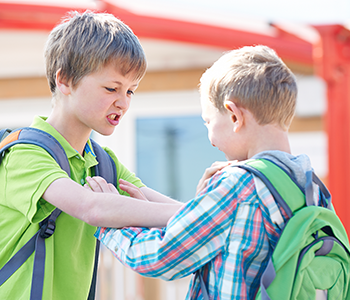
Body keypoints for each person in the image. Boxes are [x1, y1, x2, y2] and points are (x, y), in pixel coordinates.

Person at [92, 45, 322, 299]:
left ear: (234, 116)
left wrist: (108, 223)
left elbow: (161, 257)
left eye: (209, 122)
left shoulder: (239, 185)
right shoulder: (311, 185)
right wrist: (197, 206)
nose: (211, 140)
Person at [0, 11, 183, 300]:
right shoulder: (24, 154)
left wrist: (209, 212)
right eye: (112, 88)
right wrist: (208, 216)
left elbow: (159, 204)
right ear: (65, 81)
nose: (123, 103)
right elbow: (92, 208)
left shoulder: (103, 163)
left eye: (131, 92)